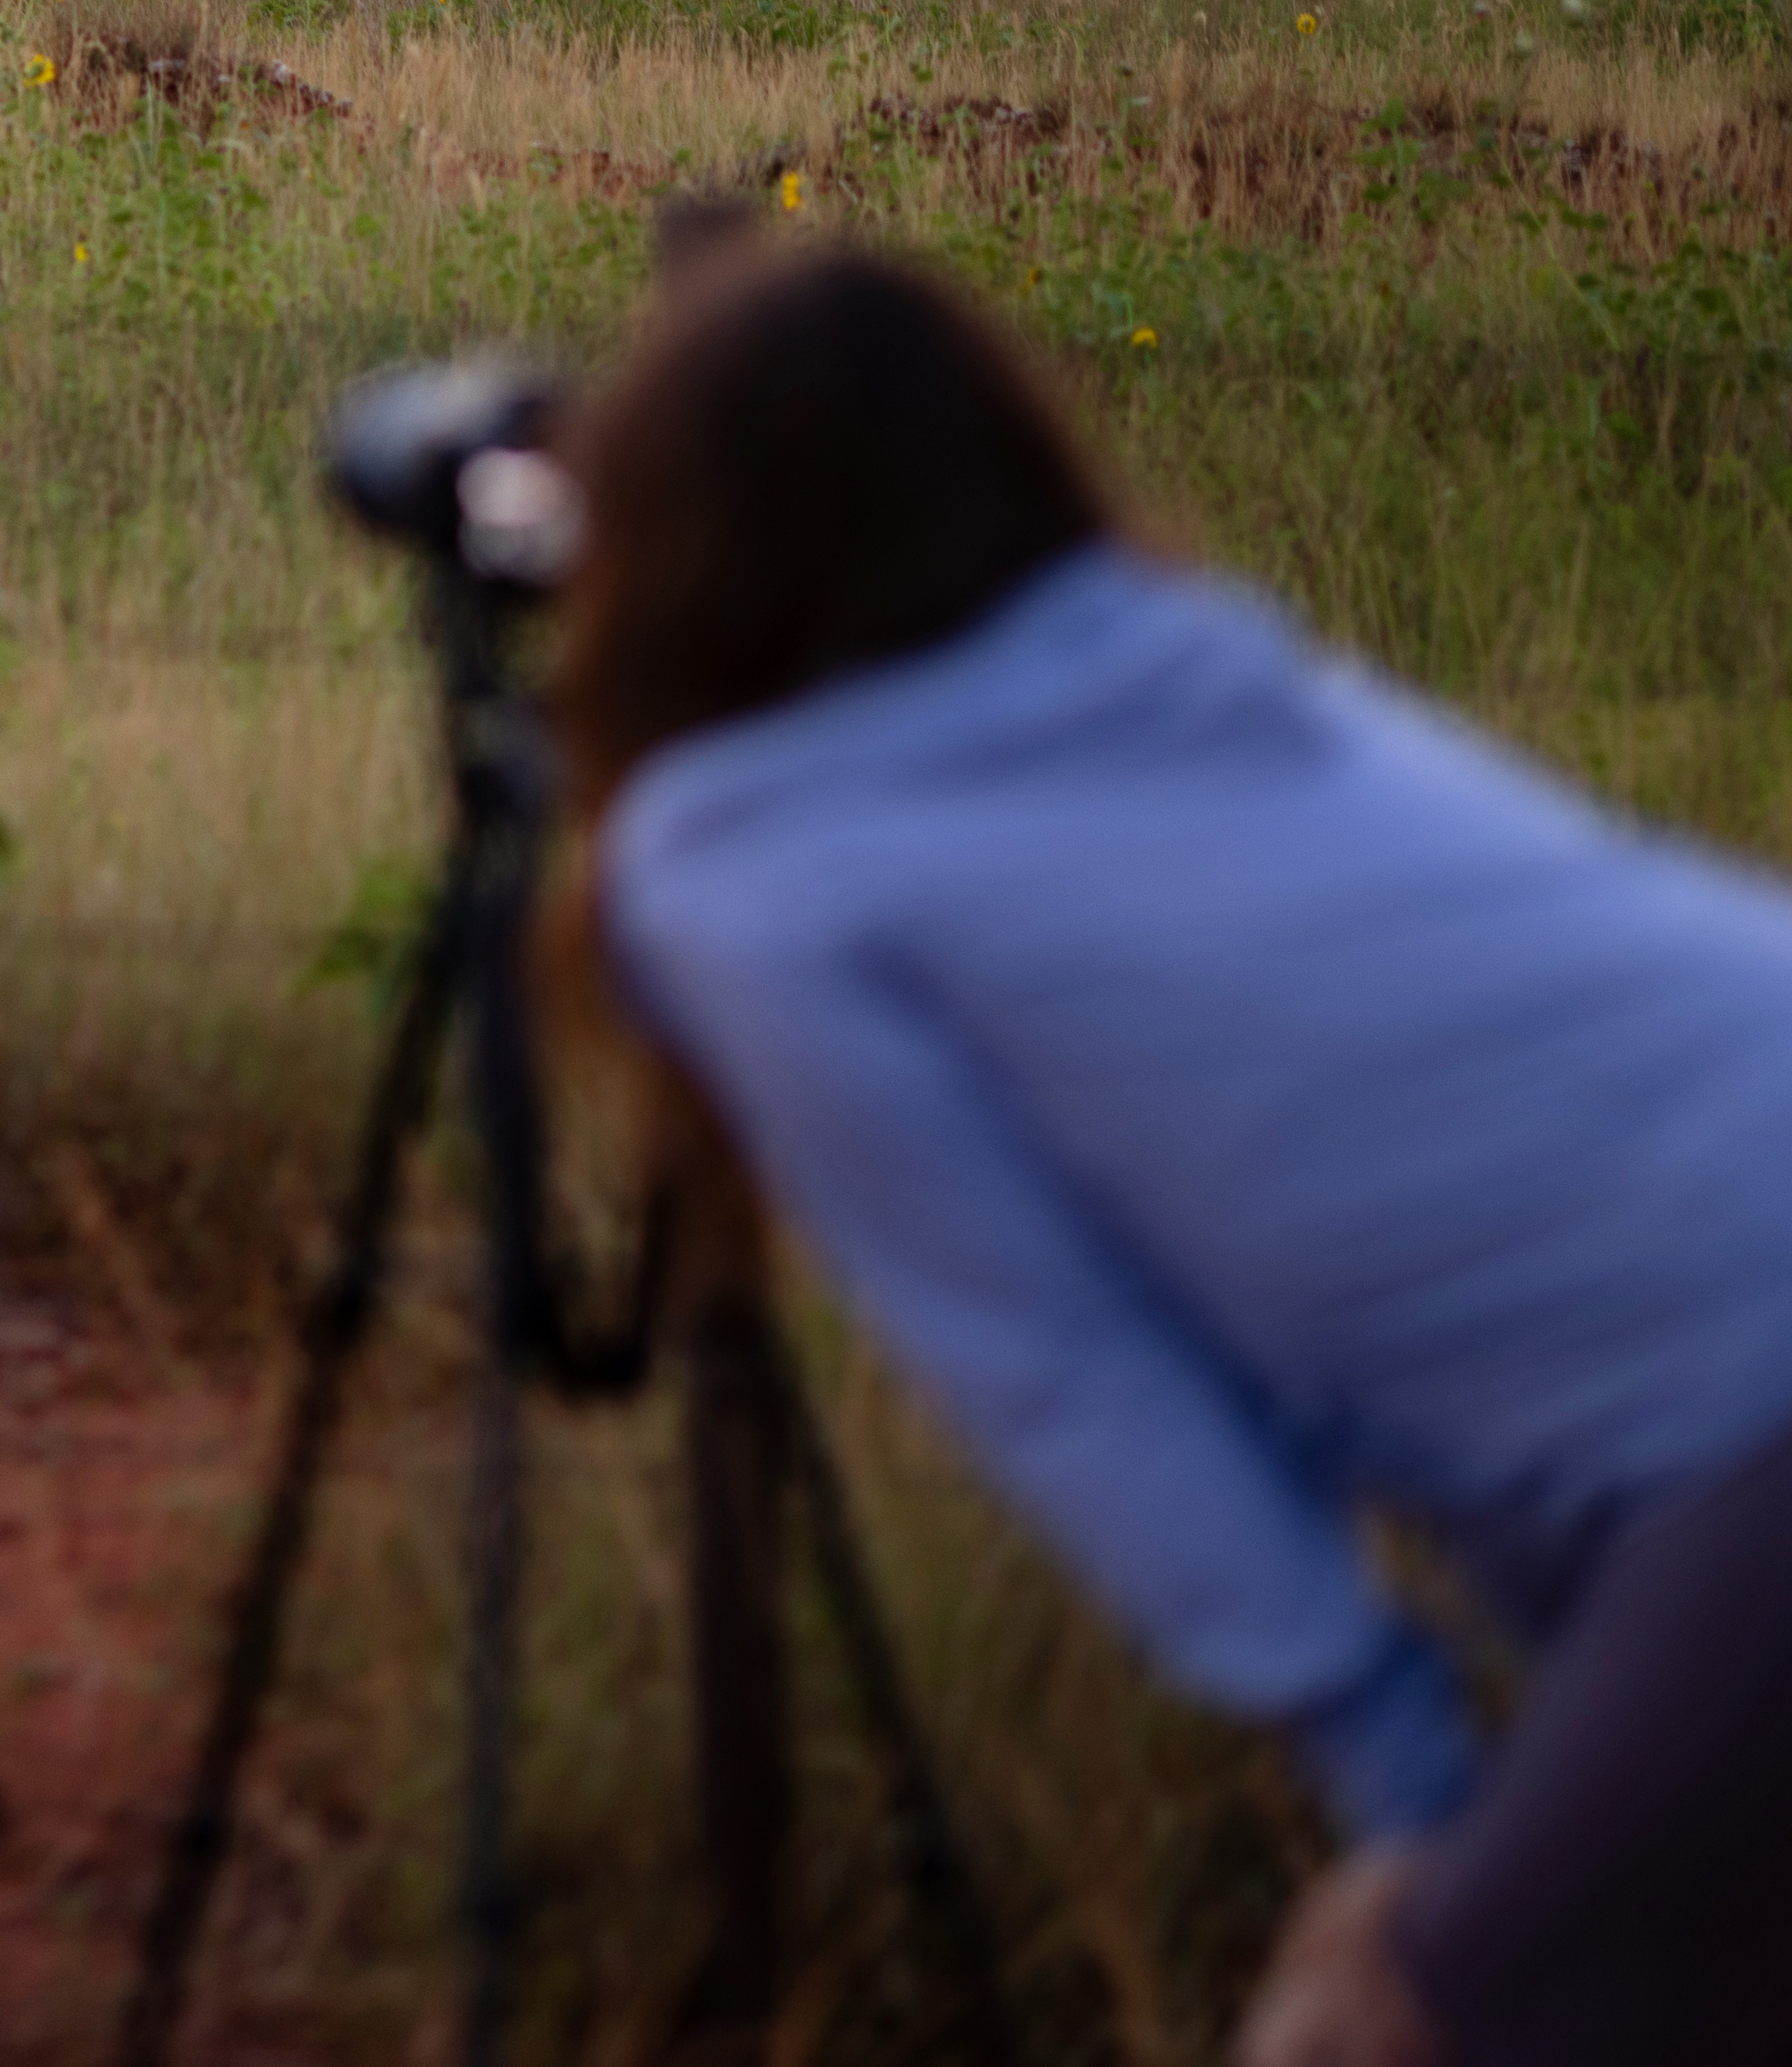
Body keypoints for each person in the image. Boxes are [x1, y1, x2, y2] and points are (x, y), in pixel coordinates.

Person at [554, 245, 1792, 2067]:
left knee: (1384, 2023)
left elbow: (1065, 1381)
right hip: (1715, 1395)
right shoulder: (1191, 668)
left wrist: (1411, 1807)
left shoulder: (745, 866)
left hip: (1741, 1415)